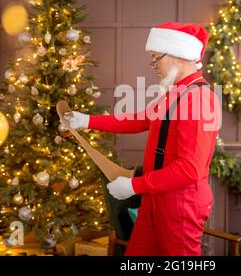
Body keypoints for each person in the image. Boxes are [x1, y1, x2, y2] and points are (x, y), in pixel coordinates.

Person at [63, 22, 222, 256]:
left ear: (179, 55)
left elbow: (190, 169)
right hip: (155, 198)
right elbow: (140, 120)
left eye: (156, 58)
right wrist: (87, 121)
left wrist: (133, 186)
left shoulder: (197, 99)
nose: (153, 65)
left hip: (179, 205)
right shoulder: (178, 92)